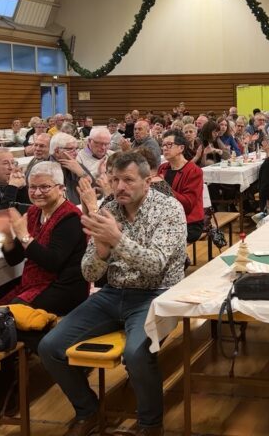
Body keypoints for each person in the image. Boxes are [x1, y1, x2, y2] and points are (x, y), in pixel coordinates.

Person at [38, 151, 186, 436]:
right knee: (50, 347)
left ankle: (150, 424)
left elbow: (156, 265)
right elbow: (89, 274)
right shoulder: (109, 208)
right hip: (113, 294)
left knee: (136, 354)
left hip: (155, 294)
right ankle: (88, 411)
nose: (119, 187)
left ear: (149, 180)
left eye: (128, 180)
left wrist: (117, 240)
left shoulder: (169, 210)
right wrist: (102, 253)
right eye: (115, 179)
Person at [0, 161, 89, 422]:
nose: (37, 192)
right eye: (33, 187)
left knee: (0, 321)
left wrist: (24, 237)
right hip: (35, 284)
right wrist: (9, 238)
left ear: (60, 188)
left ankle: (10, 385)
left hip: (65, 288)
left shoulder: (70, 218)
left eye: (45, 187)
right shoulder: (34, 215)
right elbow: (14, 260)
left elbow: (53, 261)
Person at [157, 131, 205, 244]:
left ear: (181, 148)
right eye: (163, 145)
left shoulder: (194, 171)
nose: (164, 148)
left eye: (169, 145)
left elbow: (187, 204)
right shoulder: (162, 168)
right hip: (165, 219)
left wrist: (164, 187)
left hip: (188, 222)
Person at [50, 132, 94, 206]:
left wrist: (82, 173)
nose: (76, 153)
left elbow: (96, 191)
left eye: (76, 149)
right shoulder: (45, 169)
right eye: (70, 149)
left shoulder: (75, 164)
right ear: (57, 151)